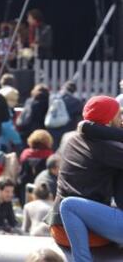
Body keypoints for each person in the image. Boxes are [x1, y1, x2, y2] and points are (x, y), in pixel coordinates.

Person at [48, 96, 123, 247]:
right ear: (108, 120)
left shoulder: (74, 139)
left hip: (60, 226)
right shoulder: (106, 148)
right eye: (119, 115)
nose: (122, 120)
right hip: (83, 232)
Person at [48, 81, 83, 149]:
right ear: (74, 91)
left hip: (52, 127)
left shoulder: (53, 98)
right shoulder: (76, 101)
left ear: (63, 88)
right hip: (67, 129)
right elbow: (80, 116)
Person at [0, 86, 22, 152]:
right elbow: (8, 128)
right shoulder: (5, 111)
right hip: (2, 143)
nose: (16, 103)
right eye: (14, 100)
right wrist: (18, 141)